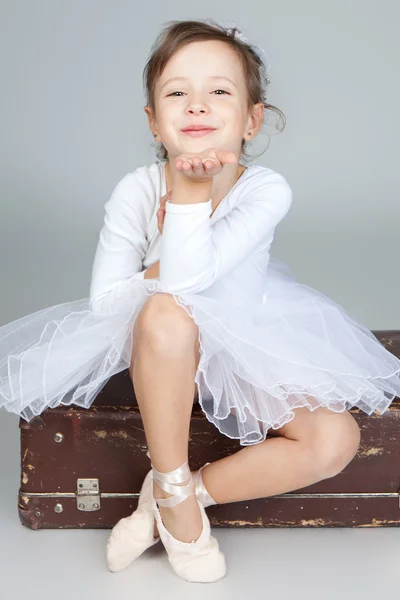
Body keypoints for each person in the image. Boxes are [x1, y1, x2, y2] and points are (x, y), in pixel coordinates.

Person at [1, 18, 400, 583]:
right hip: (157, 344)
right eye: (176, 92)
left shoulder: (265, 190)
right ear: (153, 120)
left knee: (335, 439)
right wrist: (184, 209)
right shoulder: (136, 191)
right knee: (166, 314)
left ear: (251, 119)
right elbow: (111, 301)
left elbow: (194, 277)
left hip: (245, 332)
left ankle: (172, 497)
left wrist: (173, 237)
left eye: (219, 91)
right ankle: (173, 491)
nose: (197, 105)